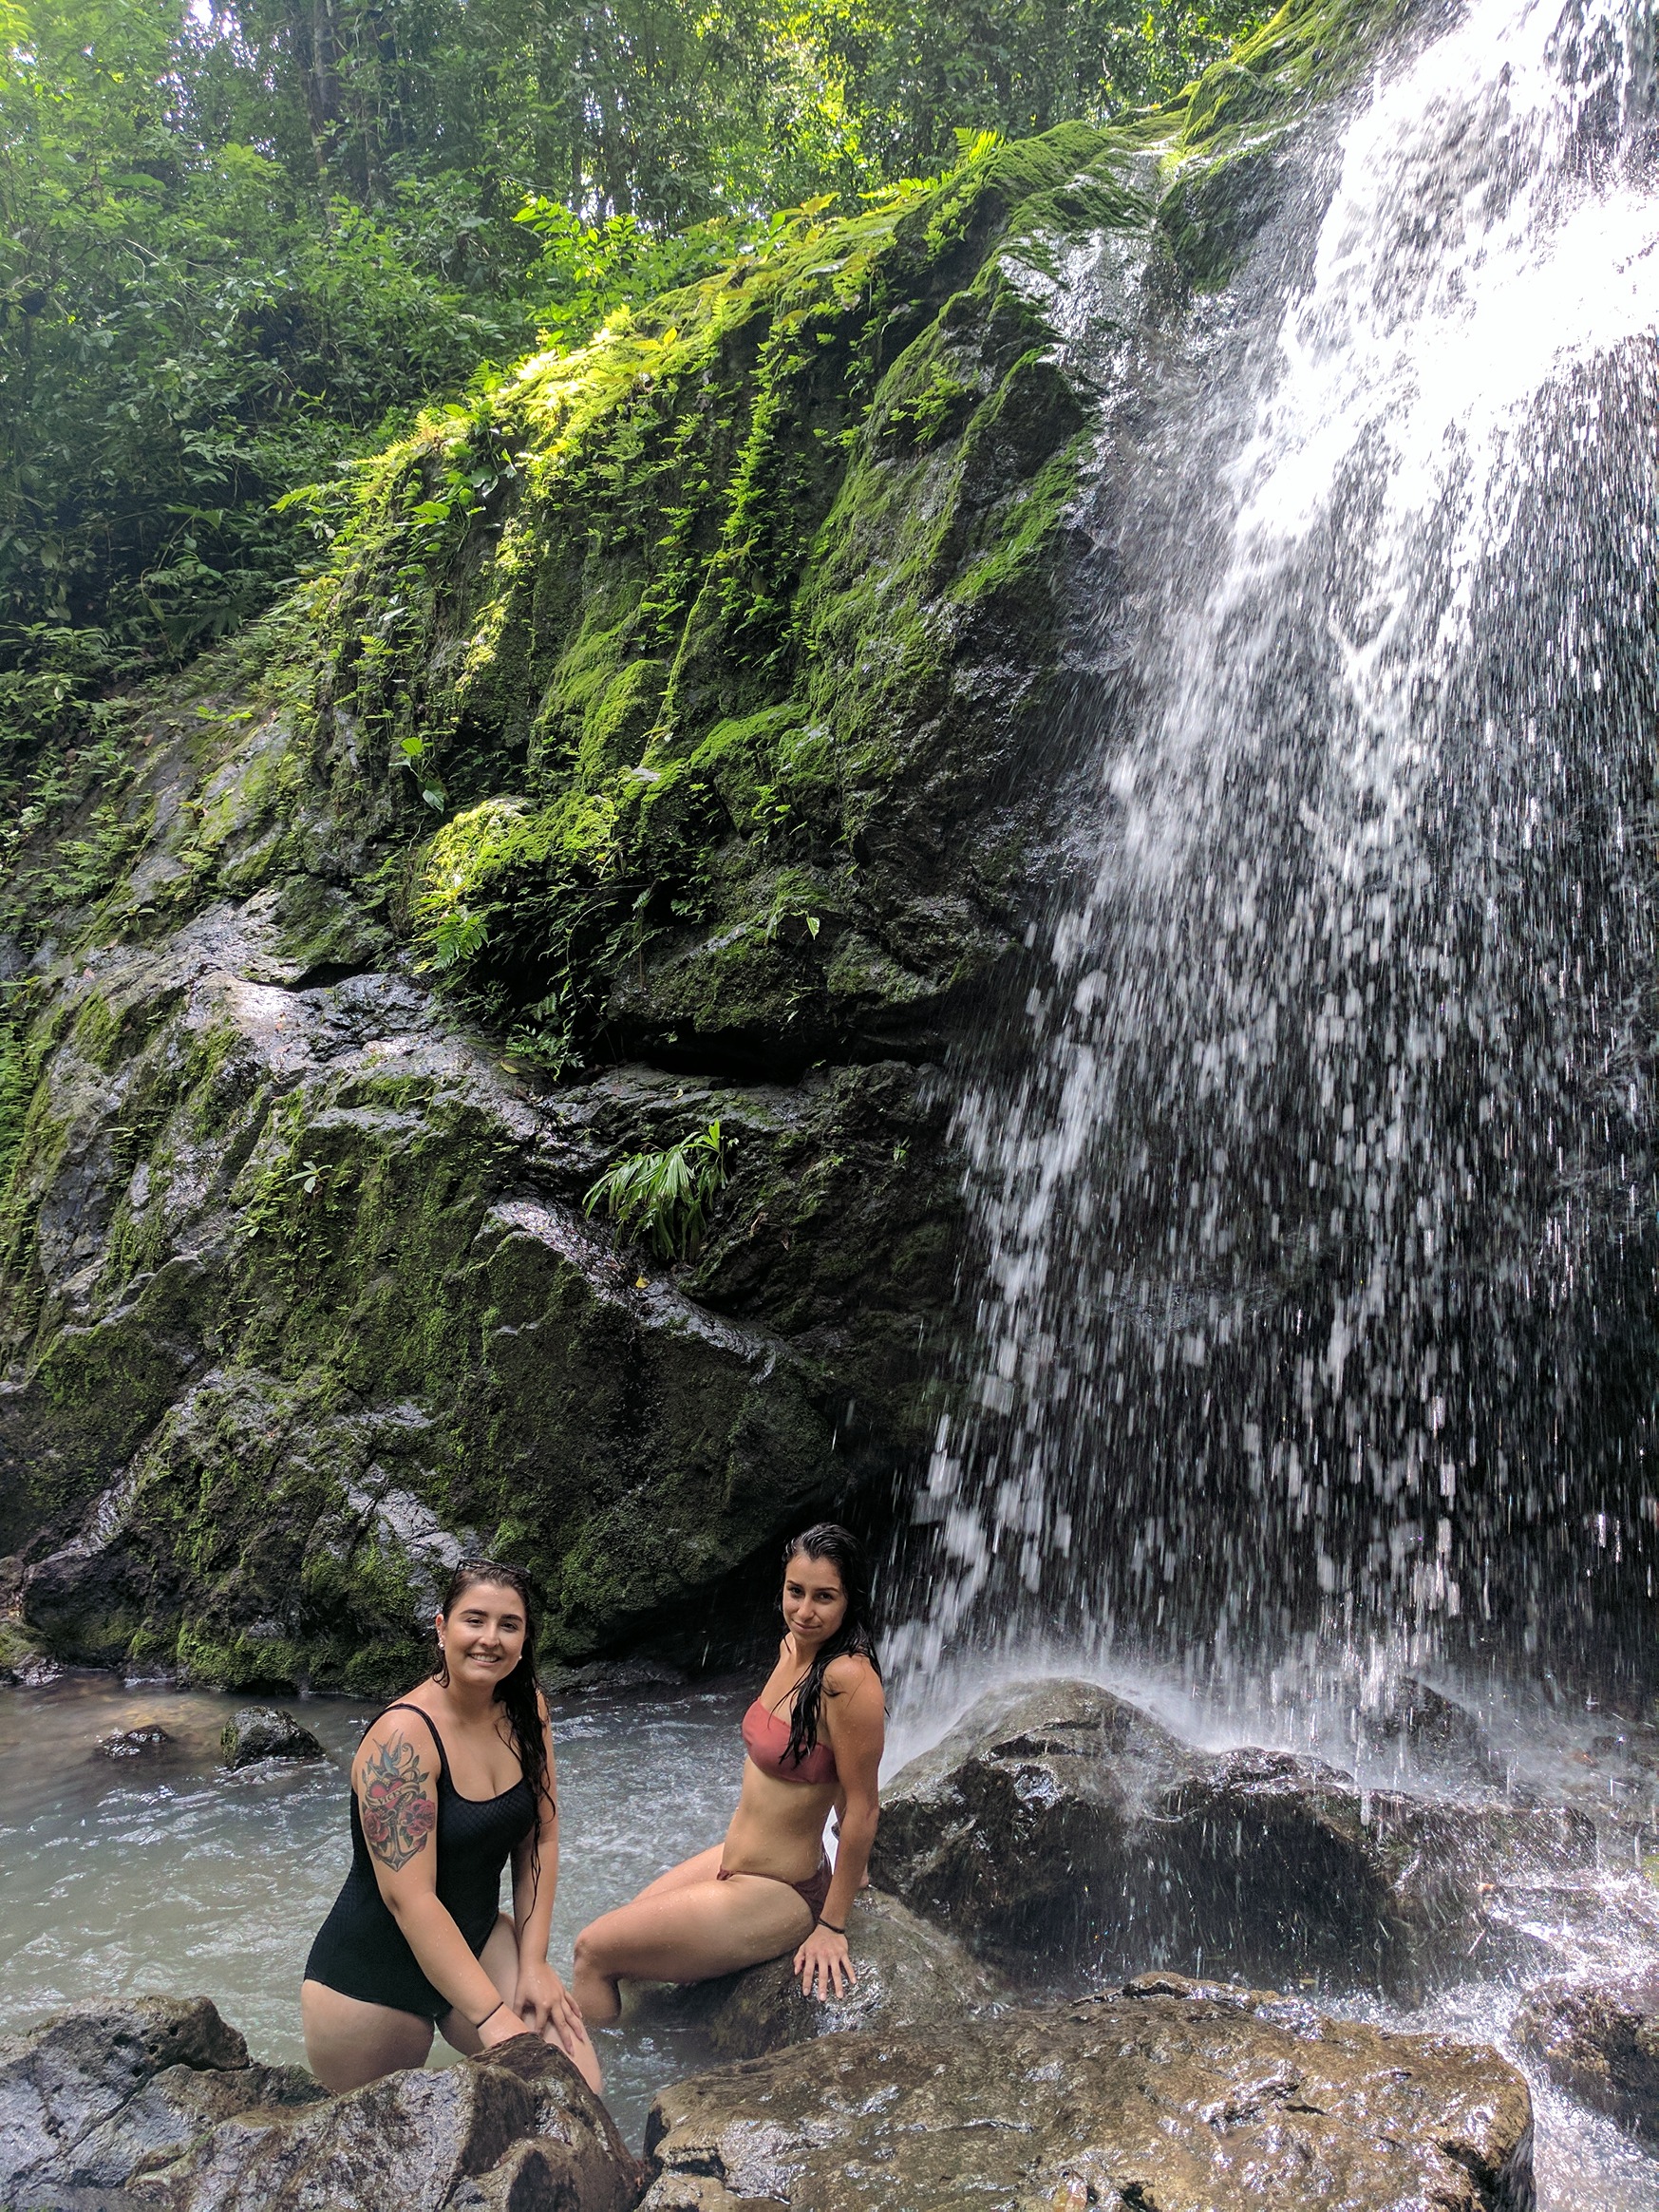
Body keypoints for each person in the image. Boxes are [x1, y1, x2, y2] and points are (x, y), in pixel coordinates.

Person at [301, 1559, 600, 2094]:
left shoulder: (527, 1710)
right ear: (442, 1628)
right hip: (372, 1980)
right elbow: (409, 1900)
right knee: (386, 2166)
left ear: (525, 1637)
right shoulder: (401, 1739)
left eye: (509, 1625)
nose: (490, 1639)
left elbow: (542, 1839)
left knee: (578, 2092)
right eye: (474, 1620)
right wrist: (493, 2019)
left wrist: (534, 1963)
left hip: (480, 1941)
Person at [571, 1523, 884, 2020]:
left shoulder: (848, 1680)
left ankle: (581, 2086)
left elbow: (863, 1802)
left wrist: (834, 1924)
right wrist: (858, 1867)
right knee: (625, 1945)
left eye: (824, 1597)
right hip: (734, 1859)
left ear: (850, 1600)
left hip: (779, 1893)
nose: (805, 1611)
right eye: (795, 1592)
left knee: (592, 1952)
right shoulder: (790, 1650)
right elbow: (835, 1780)